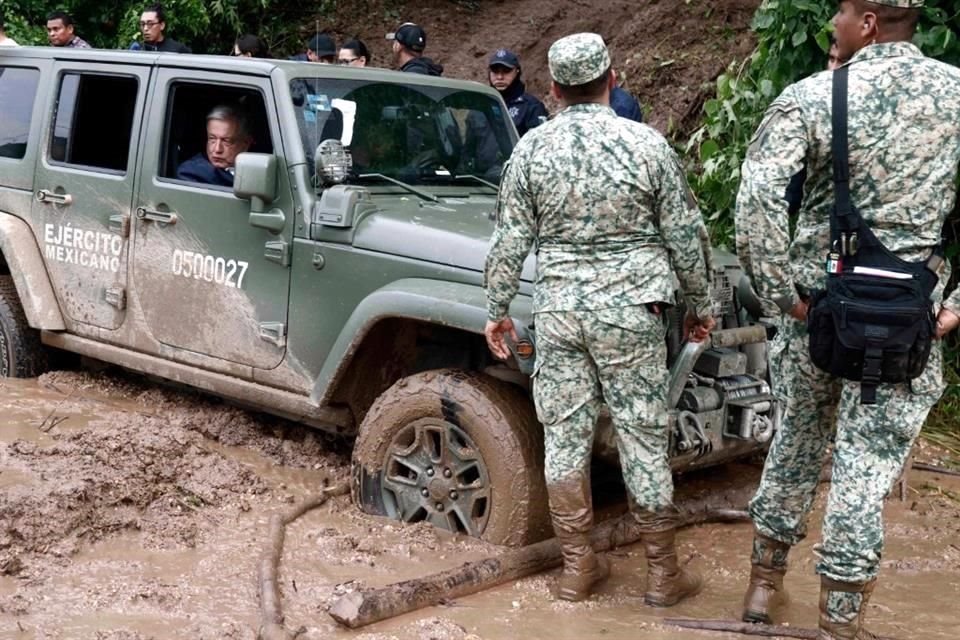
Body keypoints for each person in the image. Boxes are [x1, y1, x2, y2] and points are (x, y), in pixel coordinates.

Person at [733, 1, 960, 637]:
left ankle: (760, 589)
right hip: (907, 321)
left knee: (796, 446)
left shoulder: (810, 96)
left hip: (819, 312)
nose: (832, 20)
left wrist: (785, 297)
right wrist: (954, 306)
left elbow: (754, 204)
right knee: (864, 469)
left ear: (867, 23)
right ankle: (840, 620)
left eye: (840, 10)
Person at [484, 32, 715, 604]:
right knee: (641, 436)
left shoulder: (532, 149)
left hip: (560, 311)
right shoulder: (645, 145)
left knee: (563, 437)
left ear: (555, 89)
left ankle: (576, 569)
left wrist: (497, 310)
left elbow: (509, 238)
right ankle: (663, 576)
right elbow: (686, 236)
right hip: (632, 312)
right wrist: (702, 306)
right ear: (612, 78)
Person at [176, 105, 252, 187]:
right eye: (212, 139)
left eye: (226, 141)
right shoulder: (192, 173)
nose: (217, 149)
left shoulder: (255, 169)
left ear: (245, 143)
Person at [487, 48, 548, 137]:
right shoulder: (480, 107)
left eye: (506, 71)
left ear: (517, 72)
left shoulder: (532, 107)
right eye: (495, 71)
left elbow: (541, 144)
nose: (500, 77)